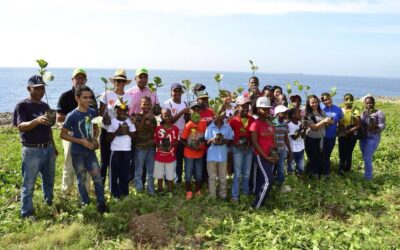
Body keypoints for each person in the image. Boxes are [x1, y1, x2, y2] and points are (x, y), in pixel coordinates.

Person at [14, 75, 58, 218]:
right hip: (31, 150)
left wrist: (54, 146)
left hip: (48, 148)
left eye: (42, 88)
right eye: (37, 88)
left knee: (49, 180)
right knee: (29, 183)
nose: (40, 91)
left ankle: (49, 204)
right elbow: (21, 126)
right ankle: (26, 213)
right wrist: (37, 120)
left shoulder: (45, 106)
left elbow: (49, 128)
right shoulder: (22, 105)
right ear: (29, 89)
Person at [60, 85, 107, 213]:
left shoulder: (92, 112)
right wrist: (80, 141)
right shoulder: (72, 115)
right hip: (77, 153)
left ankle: (101, 204)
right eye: (85, 97)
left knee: (97, 177)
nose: (88, 100)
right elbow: (62, 134)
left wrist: (95, 138)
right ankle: (85, 203)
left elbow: (96, 128)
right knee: (81, 179)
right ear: (77, 98)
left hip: (90, 152)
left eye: (90, 97)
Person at [56, 68, 95, 195]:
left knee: (87, 164)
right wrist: (75, 115)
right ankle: (66, 192)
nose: (80, 80)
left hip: (87, 134)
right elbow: (58, 117)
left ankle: (85, 191)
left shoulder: (90, 95)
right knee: (69, 164)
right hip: (71, 134)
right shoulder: (66, 96)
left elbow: (94, 116)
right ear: (72, 80)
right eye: (77, 78)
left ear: (86, 80)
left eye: (82, 78)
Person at [99, 69, 132, 185]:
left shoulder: (129, 96)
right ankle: (101, 187)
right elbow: (101, 112)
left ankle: (116, 186)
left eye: (123, 81)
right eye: (118, 80)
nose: (120, 83)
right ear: (114, 82)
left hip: (121, 132)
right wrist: (105, 117)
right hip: (107, 131)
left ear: (125, 82)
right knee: (104, 161)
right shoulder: (106, 94)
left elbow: (129, 114)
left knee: (118, 161)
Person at [249, 97, 277, 209]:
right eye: (263, 109)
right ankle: (256, 206)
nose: (266, 111)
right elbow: (255, 143)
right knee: (268, 180)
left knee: (263, 179)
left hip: (271, 156)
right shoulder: (255, 124)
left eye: (267, 109)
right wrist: (265, 156)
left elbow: (273, 140)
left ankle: (262, 198)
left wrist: (275, 154)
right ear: (258, 109)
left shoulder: (270, 123)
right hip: (260, 156)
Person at [106, 101, 136, 199]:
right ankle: (114, 194)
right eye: (120, 111)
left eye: (124, 111)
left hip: (126, 150)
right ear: (116, 111)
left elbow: (135, 137)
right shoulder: (112, 121)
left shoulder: (130, 121)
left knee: (125, 173)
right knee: (114, 173)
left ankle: (125, 193)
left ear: (127, 111)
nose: (122, 113)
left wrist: (127, 132)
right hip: (115, 150)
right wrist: (116, 132)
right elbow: (108, 139)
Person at [162, 83, 190, 183]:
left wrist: (187, 116)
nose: (177, 93)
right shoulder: (167, 104)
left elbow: (187, 120)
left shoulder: (185, 103)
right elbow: (169, 121)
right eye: (175, 91)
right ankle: (167, 181)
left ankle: (177, 181)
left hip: (182, 136)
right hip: (169, 136)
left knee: (179, 160)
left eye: (179, 91)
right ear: (171, 92)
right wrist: (182, 112)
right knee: (168, 159)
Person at [229, 96, 255, 201]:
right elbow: (229, 136)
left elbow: (254, 134)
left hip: (248, 149)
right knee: (238, 173)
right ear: (237, 107)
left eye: (247, 106)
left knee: (247, 172)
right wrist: (235, 145)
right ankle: (235, 196)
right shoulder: (233, 120)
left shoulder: (252, 119)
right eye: (242, 106)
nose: (245, 108)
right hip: (237, 149)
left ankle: (245, 193)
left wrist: (250, 142)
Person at [181, 102, 207, 200]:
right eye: (194, 109)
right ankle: (188, 191)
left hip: (199, 153)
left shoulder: (203, 123)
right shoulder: (188, 125)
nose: (196, 111)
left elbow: (205, 136)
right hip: (189, 154)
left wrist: (201, 142)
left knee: (199, 173)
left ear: (200, 111)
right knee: (188, 173)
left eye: (198, 109)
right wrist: (190, 147)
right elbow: (182, 139)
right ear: (190, 111)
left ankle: (197, 190)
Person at [205, 113, 234, 200]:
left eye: (221, 115)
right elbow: (206, 142)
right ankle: (212, 196)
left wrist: (225, 141)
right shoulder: (209, 127)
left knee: (222, 177)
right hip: (211, 156)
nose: (218, 117)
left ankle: (223, 196)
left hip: (223, 156)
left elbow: (231, 142)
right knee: (212, 178)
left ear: (223, 116)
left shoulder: (228, 127)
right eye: (216, 116)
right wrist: (212, 140)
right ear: (214, 116)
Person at [133, 96, 157, 195]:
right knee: (139, 171)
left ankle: (151, 190)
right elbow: (137, 130)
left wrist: (150, 124)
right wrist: (145, 119)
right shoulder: (136, 116)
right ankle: (139, 191)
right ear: (140, 105)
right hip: (140, 147)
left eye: (148, 104)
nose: (146, 106)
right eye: (144, 104)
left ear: (151, 105)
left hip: (151, 147)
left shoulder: (153, 118)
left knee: (150, 172)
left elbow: (154, 132)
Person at [154, 108, 180, 195]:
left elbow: (177, 141)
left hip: (171, 157)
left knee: (170, 176)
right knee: (159, 175)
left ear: (171, 116)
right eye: (165, 116)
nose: (167, 117)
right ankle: (160, 190)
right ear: (161, 116)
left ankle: (170, 191)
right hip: (159, 157)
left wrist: (171, 145)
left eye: (169, 115)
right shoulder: (158, 128)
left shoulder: (175, 129)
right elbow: (155, 141)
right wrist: (159, 145)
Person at [304, 95, 331, 178]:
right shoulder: (307, 114)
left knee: (320, 157)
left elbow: (328, 122)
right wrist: (324, 121)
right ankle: (312, 174)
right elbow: (314, 127)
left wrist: (329, 122)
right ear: (308, 103)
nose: (314, 104)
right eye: (312, 102)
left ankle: (318, 174)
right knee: (312, 158)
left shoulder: (321, 111)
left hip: (321, 138)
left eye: (316, 102)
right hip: (311, 138)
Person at [359, 96, 385, 180]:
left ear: (374, 103)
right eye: (367, 103)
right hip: (363, 137)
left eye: (370, 103)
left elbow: (382, 125)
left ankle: (368, 178)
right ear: (364, 104)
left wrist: (376, 126)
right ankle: (366, 174)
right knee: (365, 156)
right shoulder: (364, 113)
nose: (369, 104)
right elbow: (361, 124)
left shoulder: (379, 112)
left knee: (367, 157)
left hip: (373, 137)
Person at [337, 93, 361, 174]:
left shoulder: (355, 111)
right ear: (343, 100)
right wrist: (341, 124)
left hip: (351, 133)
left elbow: (358, 125)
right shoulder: (341, 110)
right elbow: (339, 122)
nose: (348, 101)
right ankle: (341, 169)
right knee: (341, 152)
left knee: (349, 152)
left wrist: (349, 131)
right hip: (342, 132)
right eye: (346, 99)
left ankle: (347, 170)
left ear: (353, 101)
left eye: (350, 99)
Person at [321, 93, 343, 175]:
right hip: (321, 136)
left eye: (328, 99)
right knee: (322, 155)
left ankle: (325, 173)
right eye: (324, 100)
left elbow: (340, 121)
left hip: (332, 136)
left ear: (331, 98)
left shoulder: (338, 109)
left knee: (327, 155)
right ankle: (324, 173)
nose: (327, 101)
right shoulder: (321, 109)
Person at [272, 105, 292, 184]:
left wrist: (290, 150)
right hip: (273, 150)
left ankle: (280, 182)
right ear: (277, 113)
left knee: (281, 167)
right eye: (283, 112)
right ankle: (270, 182)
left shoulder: (285, 124)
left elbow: (286, 138)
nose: (286, 114)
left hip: (282, 149)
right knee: (271, 167)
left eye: (286, 112)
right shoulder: (272, 123)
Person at [287, 108, 307, 176]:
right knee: (291, 166)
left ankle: (299, 177)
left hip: (301, 148)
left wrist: (304, 130)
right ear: (293, 115)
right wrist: (300, 129)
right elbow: (294, 137)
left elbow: (303, 136)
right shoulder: (289, 125)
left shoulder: (300, 123)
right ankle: (291, 179)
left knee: (301, 166)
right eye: (299, 113)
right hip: (292, 150)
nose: (301, 115)